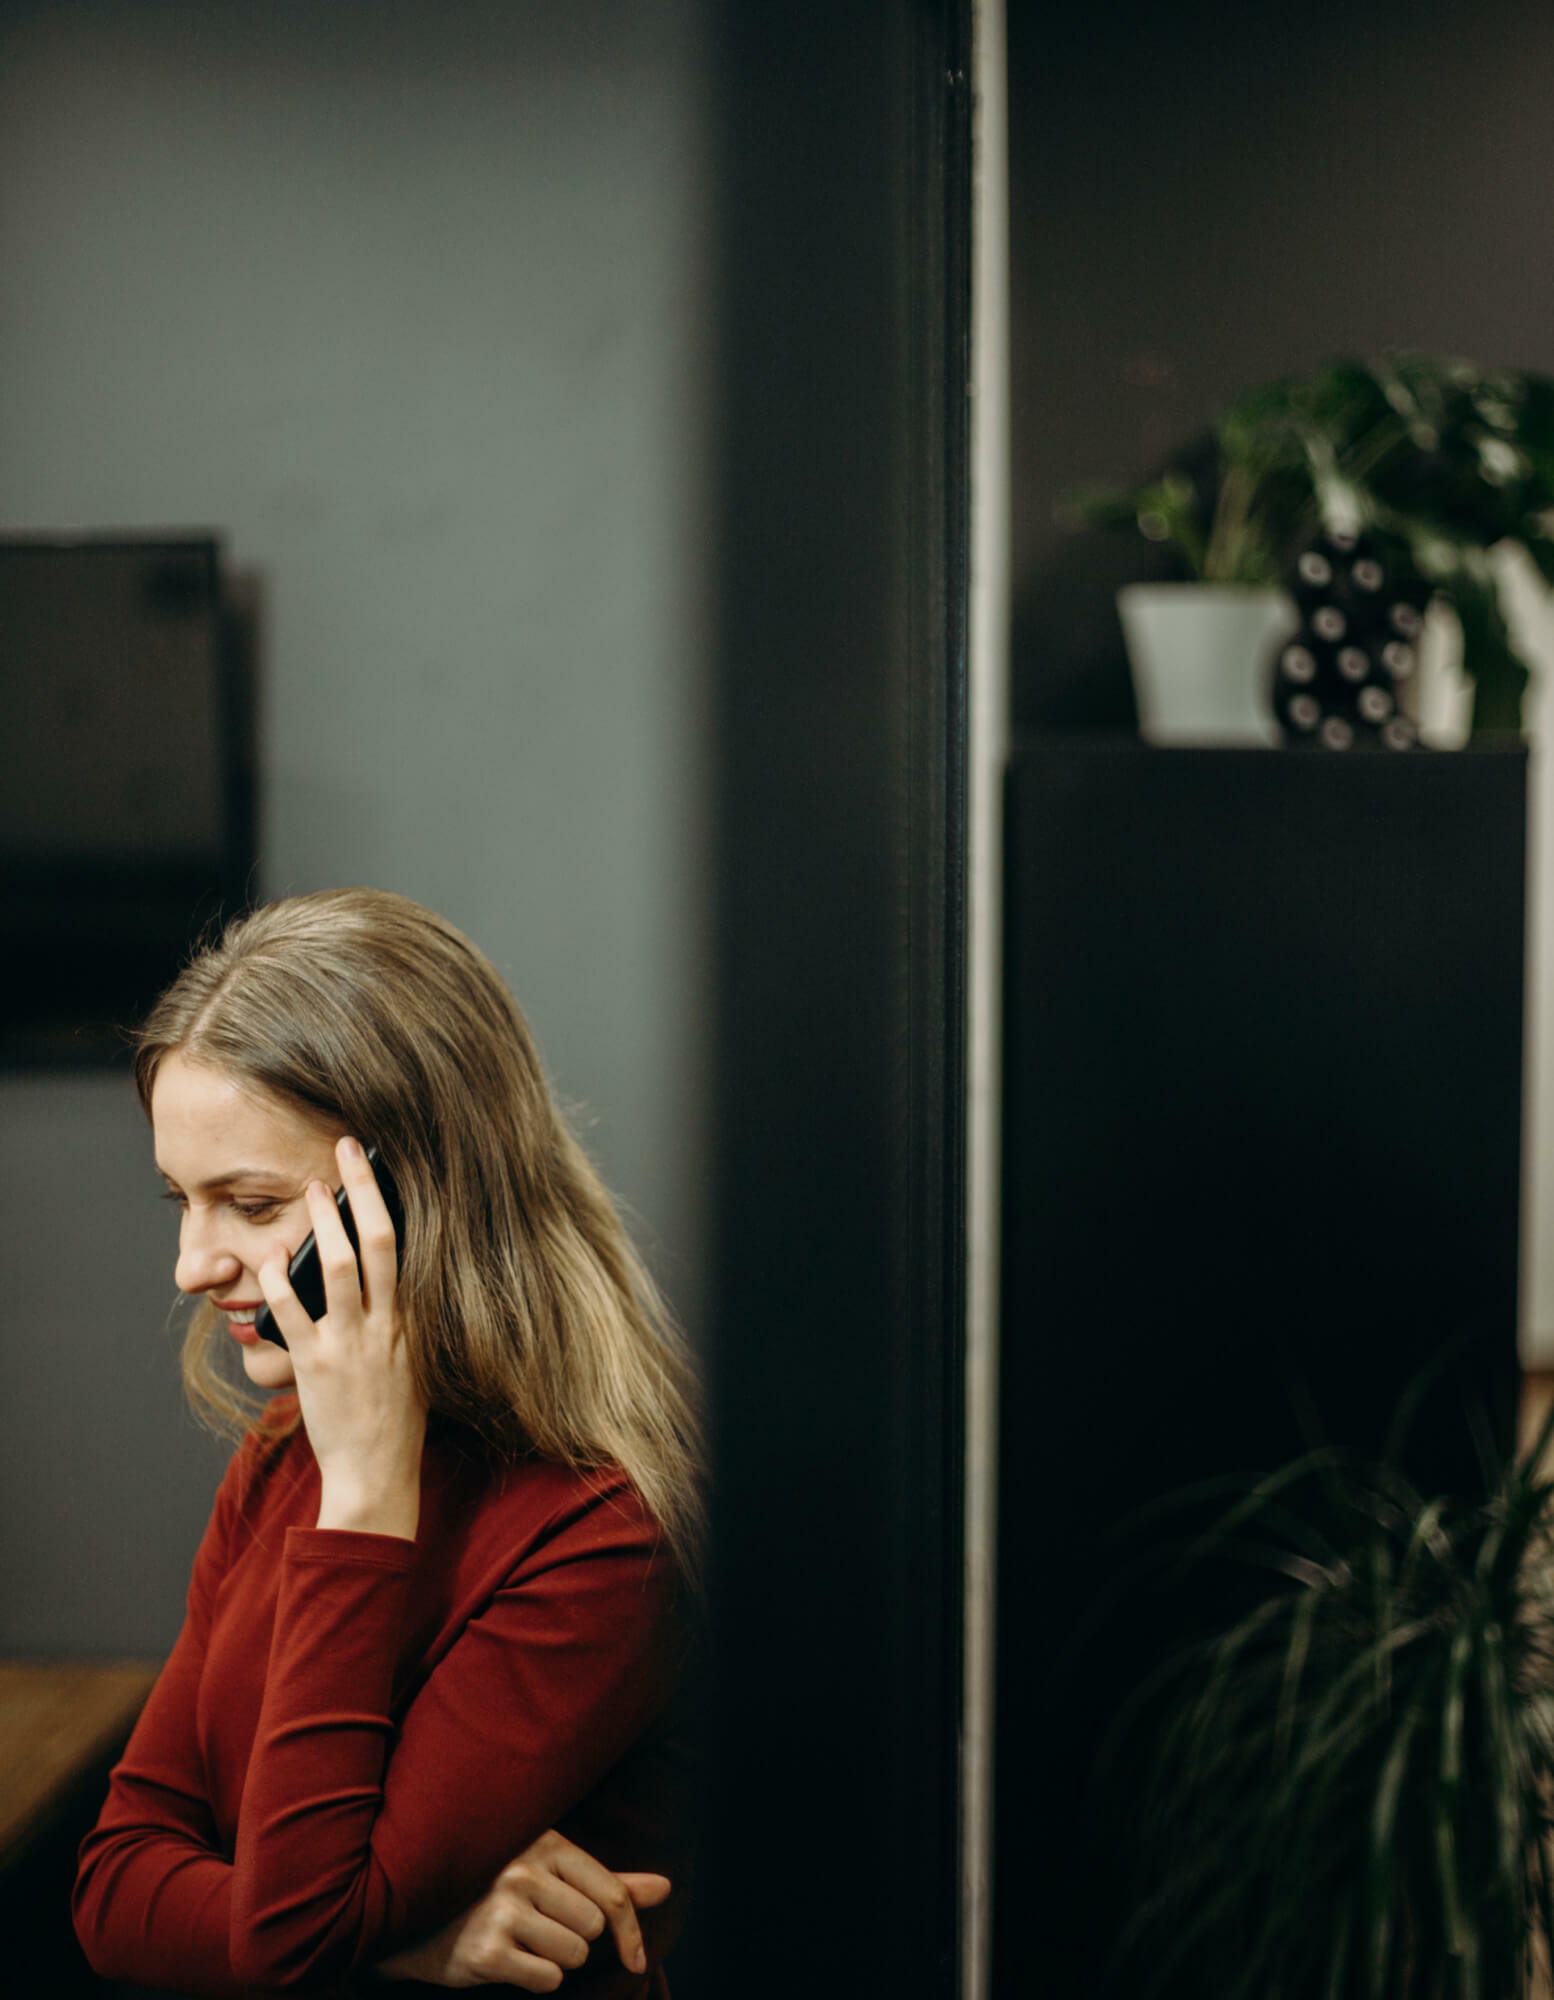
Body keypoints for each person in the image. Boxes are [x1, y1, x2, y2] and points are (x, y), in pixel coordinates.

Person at [73, 889, 703, 1995]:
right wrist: (413, 1933)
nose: (193, 1261)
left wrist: (367, 1492)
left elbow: (288, 1937)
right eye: (181, 1197)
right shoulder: (282, 1450)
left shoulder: (602, 1531)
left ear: (417, 1199)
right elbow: (115, 1882)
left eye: (251, 1202)